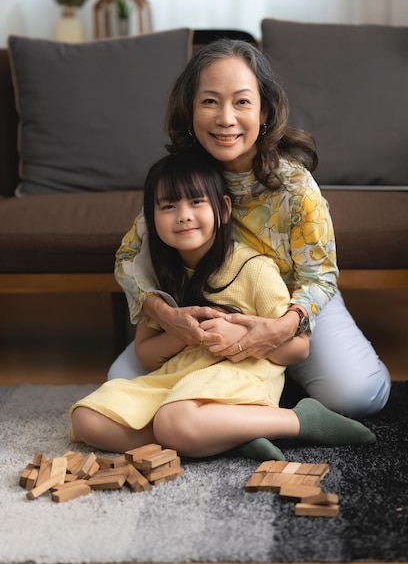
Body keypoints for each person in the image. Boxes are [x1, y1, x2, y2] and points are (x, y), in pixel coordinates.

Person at [110, 38, 391, 418]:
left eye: (242, 101)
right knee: (119, 381)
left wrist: (278, 330)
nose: (225, 118)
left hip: (293, 308)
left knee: (357, 396)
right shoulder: (184, 177)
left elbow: (319, 278)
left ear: (264, 112)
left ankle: (276, 380)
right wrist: (169, 317)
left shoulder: (296, 187)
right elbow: (130, 256)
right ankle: (257, 384)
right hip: (212, 318)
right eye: (209, 101)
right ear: (190, 109)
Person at [70, 150, 375, 458]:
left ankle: (301, 421)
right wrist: (181, 333)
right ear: (150, 219)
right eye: (169, 206)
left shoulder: (254, 270)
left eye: (197, 202)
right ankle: (228, 434)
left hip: (240, 376)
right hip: (177, 378)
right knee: (87, 417)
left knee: (172, 421)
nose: (184, 215)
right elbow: (147, 355)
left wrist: (241, 340)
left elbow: (299, 349)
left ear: (224, 209)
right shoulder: (160, 276)